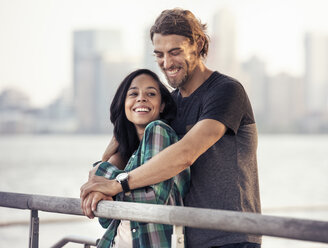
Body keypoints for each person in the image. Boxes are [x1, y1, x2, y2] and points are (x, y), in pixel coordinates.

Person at [81, 8, 261, 248]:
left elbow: (185, 154)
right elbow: (125, 151)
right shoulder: (167, 104)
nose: (166, 63)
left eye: (175, 52)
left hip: (231, 237)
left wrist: (116, 185)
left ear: (197, 44)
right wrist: (97, 185)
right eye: (159, 54)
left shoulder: (226, 91)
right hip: (182, 238)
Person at [82, 69, 190, 248]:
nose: (141, 98)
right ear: (124, 104)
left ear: (162, 105)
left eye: (151, 93)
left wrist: (105, 176)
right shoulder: (131, 155)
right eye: (133, 93)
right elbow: (105, 221)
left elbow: (155, 197)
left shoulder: (158, 130)